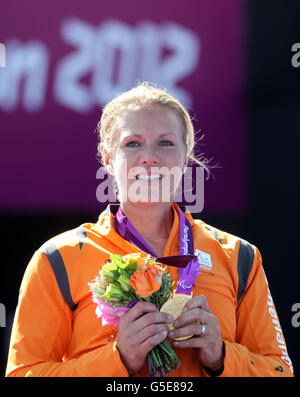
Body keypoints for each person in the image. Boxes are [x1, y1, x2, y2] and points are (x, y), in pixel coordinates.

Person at [6, 82, 293, 377]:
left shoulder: (239, 256)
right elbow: (23, 373)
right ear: (107, 158)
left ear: (185, 157)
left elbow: (280, 371)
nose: (150, 157)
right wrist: (117, 360)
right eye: (132, 143)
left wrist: (221, 356)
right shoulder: (58, 258)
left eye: (166, 143)